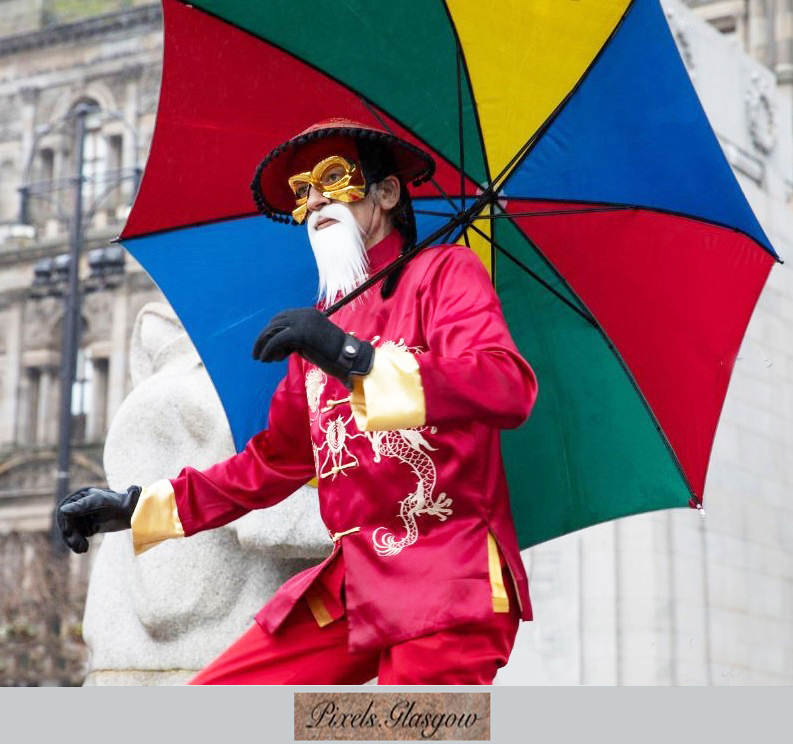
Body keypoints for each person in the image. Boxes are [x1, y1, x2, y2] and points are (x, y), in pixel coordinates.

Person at [57, 119, 539, 685]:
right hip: (349, 588)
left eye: (333, 179)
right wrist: (137, 507)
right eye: (302, 191)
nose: (313, 202)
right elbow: (265, 467)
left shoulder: (444, 273)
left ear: (386, 193)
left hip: (447, 579)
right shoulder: (316, 333)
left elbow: (506, 385)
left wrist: (353, 357)